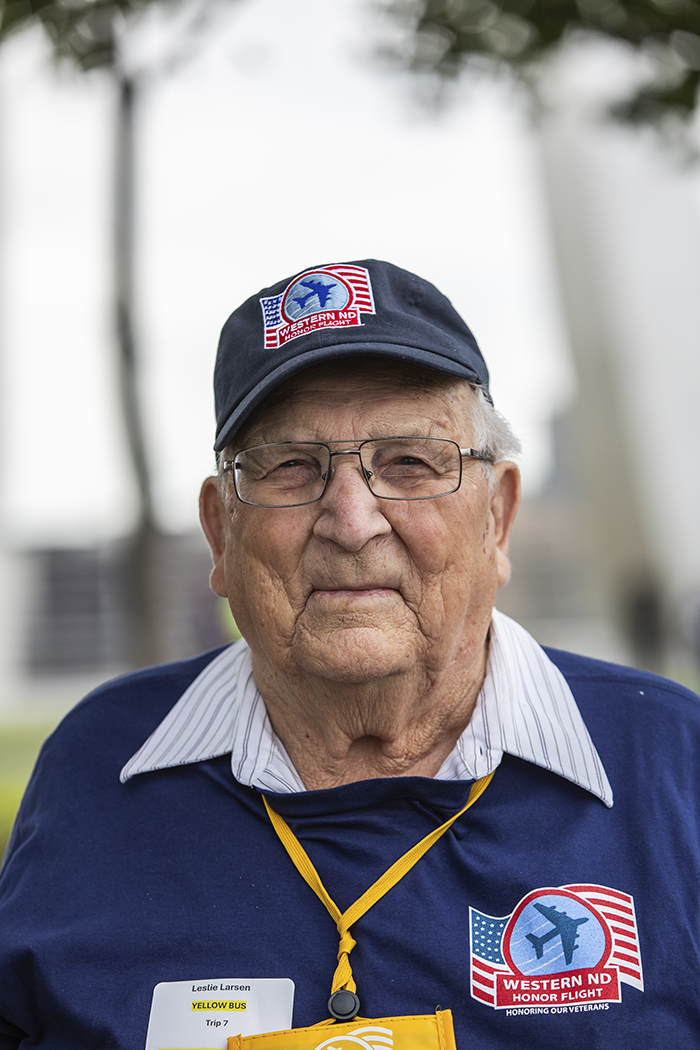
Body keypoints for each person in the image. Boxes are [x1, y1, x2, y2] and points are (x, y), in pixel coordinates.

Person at [1, 259, 699, 1050]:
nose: (352, 520)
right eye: (291, 466)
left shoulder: (672, 762)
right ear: (220, 533)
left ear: (497, 519)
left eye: (410, 463)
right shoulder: (98, 766)